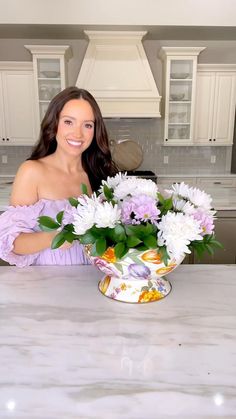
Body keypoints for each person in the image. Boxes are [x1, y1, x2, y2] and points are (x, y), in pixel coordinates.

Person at [0, 86, 117, 267]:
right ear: (54, 124)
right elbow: (12, 243)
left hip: (93, 282)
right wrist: (55, 237)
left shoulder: (99, 174)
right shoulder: (32, 171)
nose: (78, 133)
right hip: (49, 285)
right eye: (68, 122)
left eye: (87, 125)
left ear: (95, 131)